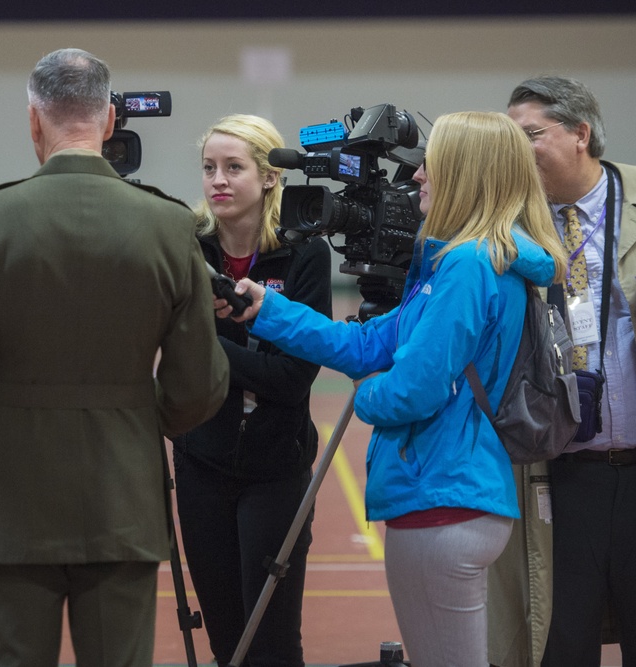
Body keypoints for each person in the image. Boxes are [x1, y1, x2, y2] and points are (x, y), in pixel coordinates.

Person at [0, 48, 229, 667]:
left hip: (12, 495)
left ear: (34, 120)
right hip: (123, 496)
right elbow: (199, 383)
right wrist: (139, 418)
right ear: (109, 120)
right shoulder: (167, 225)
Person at [217, 111, 568, 667]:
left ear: (464, 174)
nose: (418, 176)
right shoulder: (459, 262)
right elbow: (368, 343)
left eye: (432, 164)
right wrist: (270, 310)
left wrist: (368, 393)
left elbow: (412, 390)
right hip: (447, 491)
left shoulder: (469, 264)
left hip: (443, 495)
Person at [171, 114, 331, 667]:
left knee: (271, 642)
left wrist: (207, 348)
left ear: (268, 177)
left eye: (233, 167)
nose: (217, 180)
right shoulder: (187, 247)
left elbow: (292, 379)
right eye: (209, 168)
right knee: (225, 639)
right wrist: (240, 357)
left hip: (276, 469)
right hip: (201, 462)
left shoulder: (304, 252)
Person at [495, 76, 636, 667]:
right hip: (558, 477)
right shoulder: (507, 226)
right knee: (560, 641)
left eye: (531, 134)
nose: (518, 151)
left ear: (580, 133)